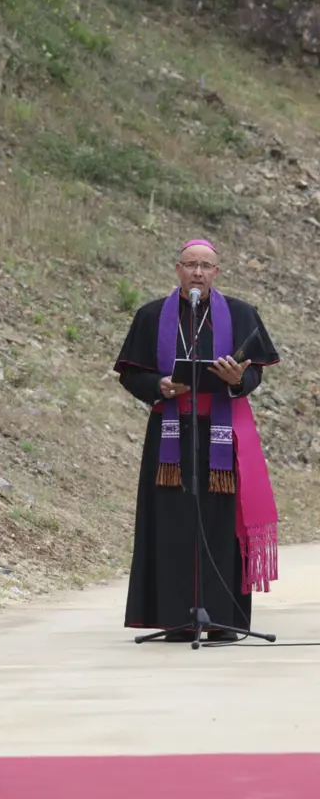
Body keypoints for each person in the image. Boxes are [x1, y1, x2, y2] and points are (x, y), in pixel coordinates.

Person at [113, 239, 280, 643]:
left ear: (217, 273)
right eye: (191, 265)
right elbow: (131, 375)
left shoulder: (241, 314)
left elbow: (255, 373)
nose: (198, 273)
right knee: (171, 520)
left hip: (223, 436)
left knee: (222, 523)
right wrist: (159, 384)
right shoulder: (152, 315)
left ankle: (223, 618)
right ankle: (175, 617)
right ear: (178, 269)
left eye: (206, 266)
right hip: (170, 433)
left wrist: (236, 379)